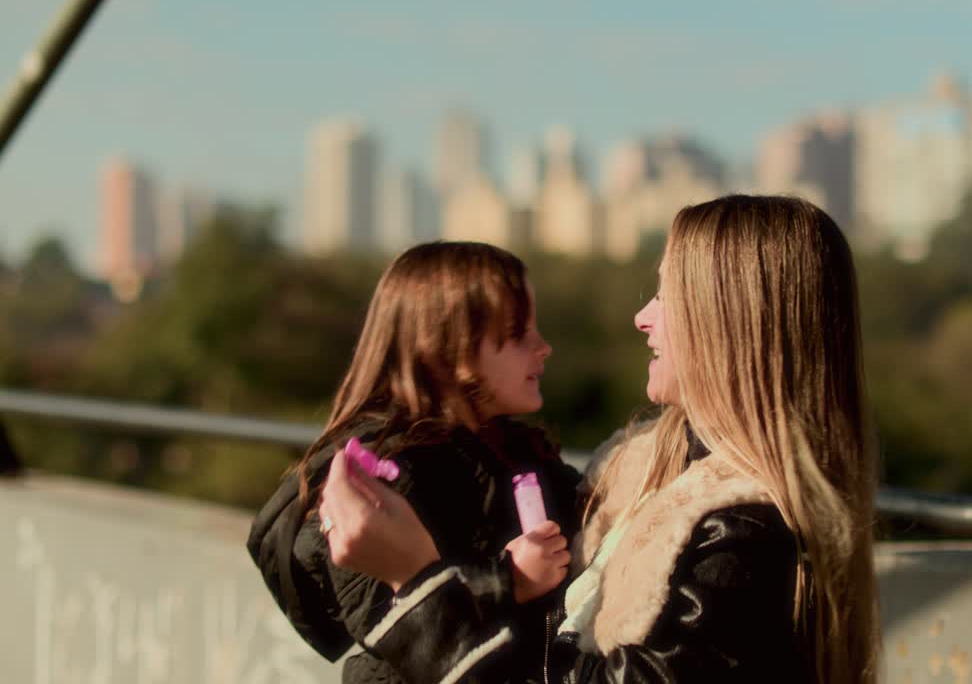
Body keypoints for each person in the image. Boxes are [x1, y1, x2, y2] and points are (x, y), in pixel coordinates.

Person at [320, 195, 882, 684]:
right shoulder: (633, 472)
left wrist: (419, 585)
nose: (643, 317)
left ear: (732, 325)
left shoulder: (745, 538)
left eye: (667, 296)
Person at [246, 242, 580, 684]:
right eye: (520, 334)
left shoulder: (513, 448)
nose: (544, 348)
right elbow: (383, 614)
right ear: (448, 350)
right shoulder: (379, 471)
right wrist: (506, 580)